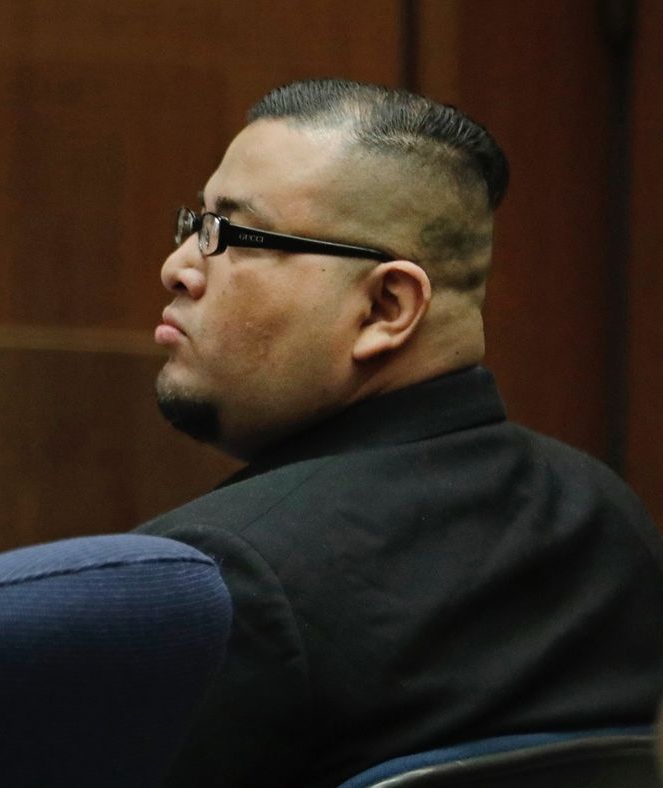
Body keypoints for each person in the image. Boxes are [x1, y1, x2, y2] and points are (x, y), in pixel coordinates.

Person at [138, 78, 663, 787]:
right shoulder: (607, 518)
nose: (179, 267)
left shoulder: (221, 578)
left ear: (387, 306)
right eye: (194, 224)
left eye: (230, 235)